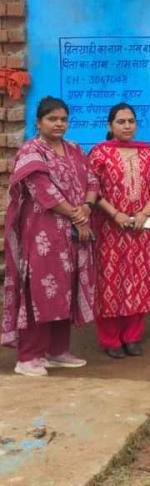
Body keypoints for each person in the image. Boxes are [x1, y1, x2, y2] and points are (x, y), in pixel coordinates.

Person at [1, 97, 97, 377]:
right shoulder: (31, 152)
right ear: (38, 122)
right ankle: (28, 356)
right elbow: (44, 192)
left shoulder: (74, 149)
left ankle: (57, 351)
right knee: (41, 290)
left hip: (73, 234)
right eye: (52, 119)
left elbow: (93, 180)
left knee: (66, 289)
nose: (59, 124)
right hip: (43, 234)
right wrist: (78, 216)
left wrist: (87, 206)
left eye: (63, 119)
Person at [89, 103, 150, 358]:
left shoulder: (149, 153)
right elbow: (91, 189)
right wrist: (115, 214)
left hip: (141, 229)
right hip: (109, 228)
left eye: (131, 121)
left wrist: (144, 213)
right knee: (110, 281)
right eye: (121, 122)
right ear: (110, 125)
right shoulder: (99, 153)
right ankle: (110, 339)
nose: (127, 126)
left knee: (139, 280)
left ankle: (133, 336)